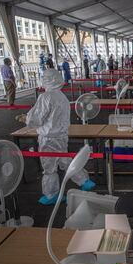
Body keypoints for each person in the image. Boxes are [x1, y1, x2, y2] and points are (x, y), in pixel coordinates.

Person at [15, 69, 96, 205]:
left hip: (48, 138)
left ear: (46, 80)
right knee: (65, 161)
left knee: (49, 167)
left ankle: (51, 194)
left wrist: (25, 118)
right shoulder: (62, 97)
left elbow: (37, 119)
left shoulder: (45, 97)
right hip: (62, 136)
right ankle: (84, 181)